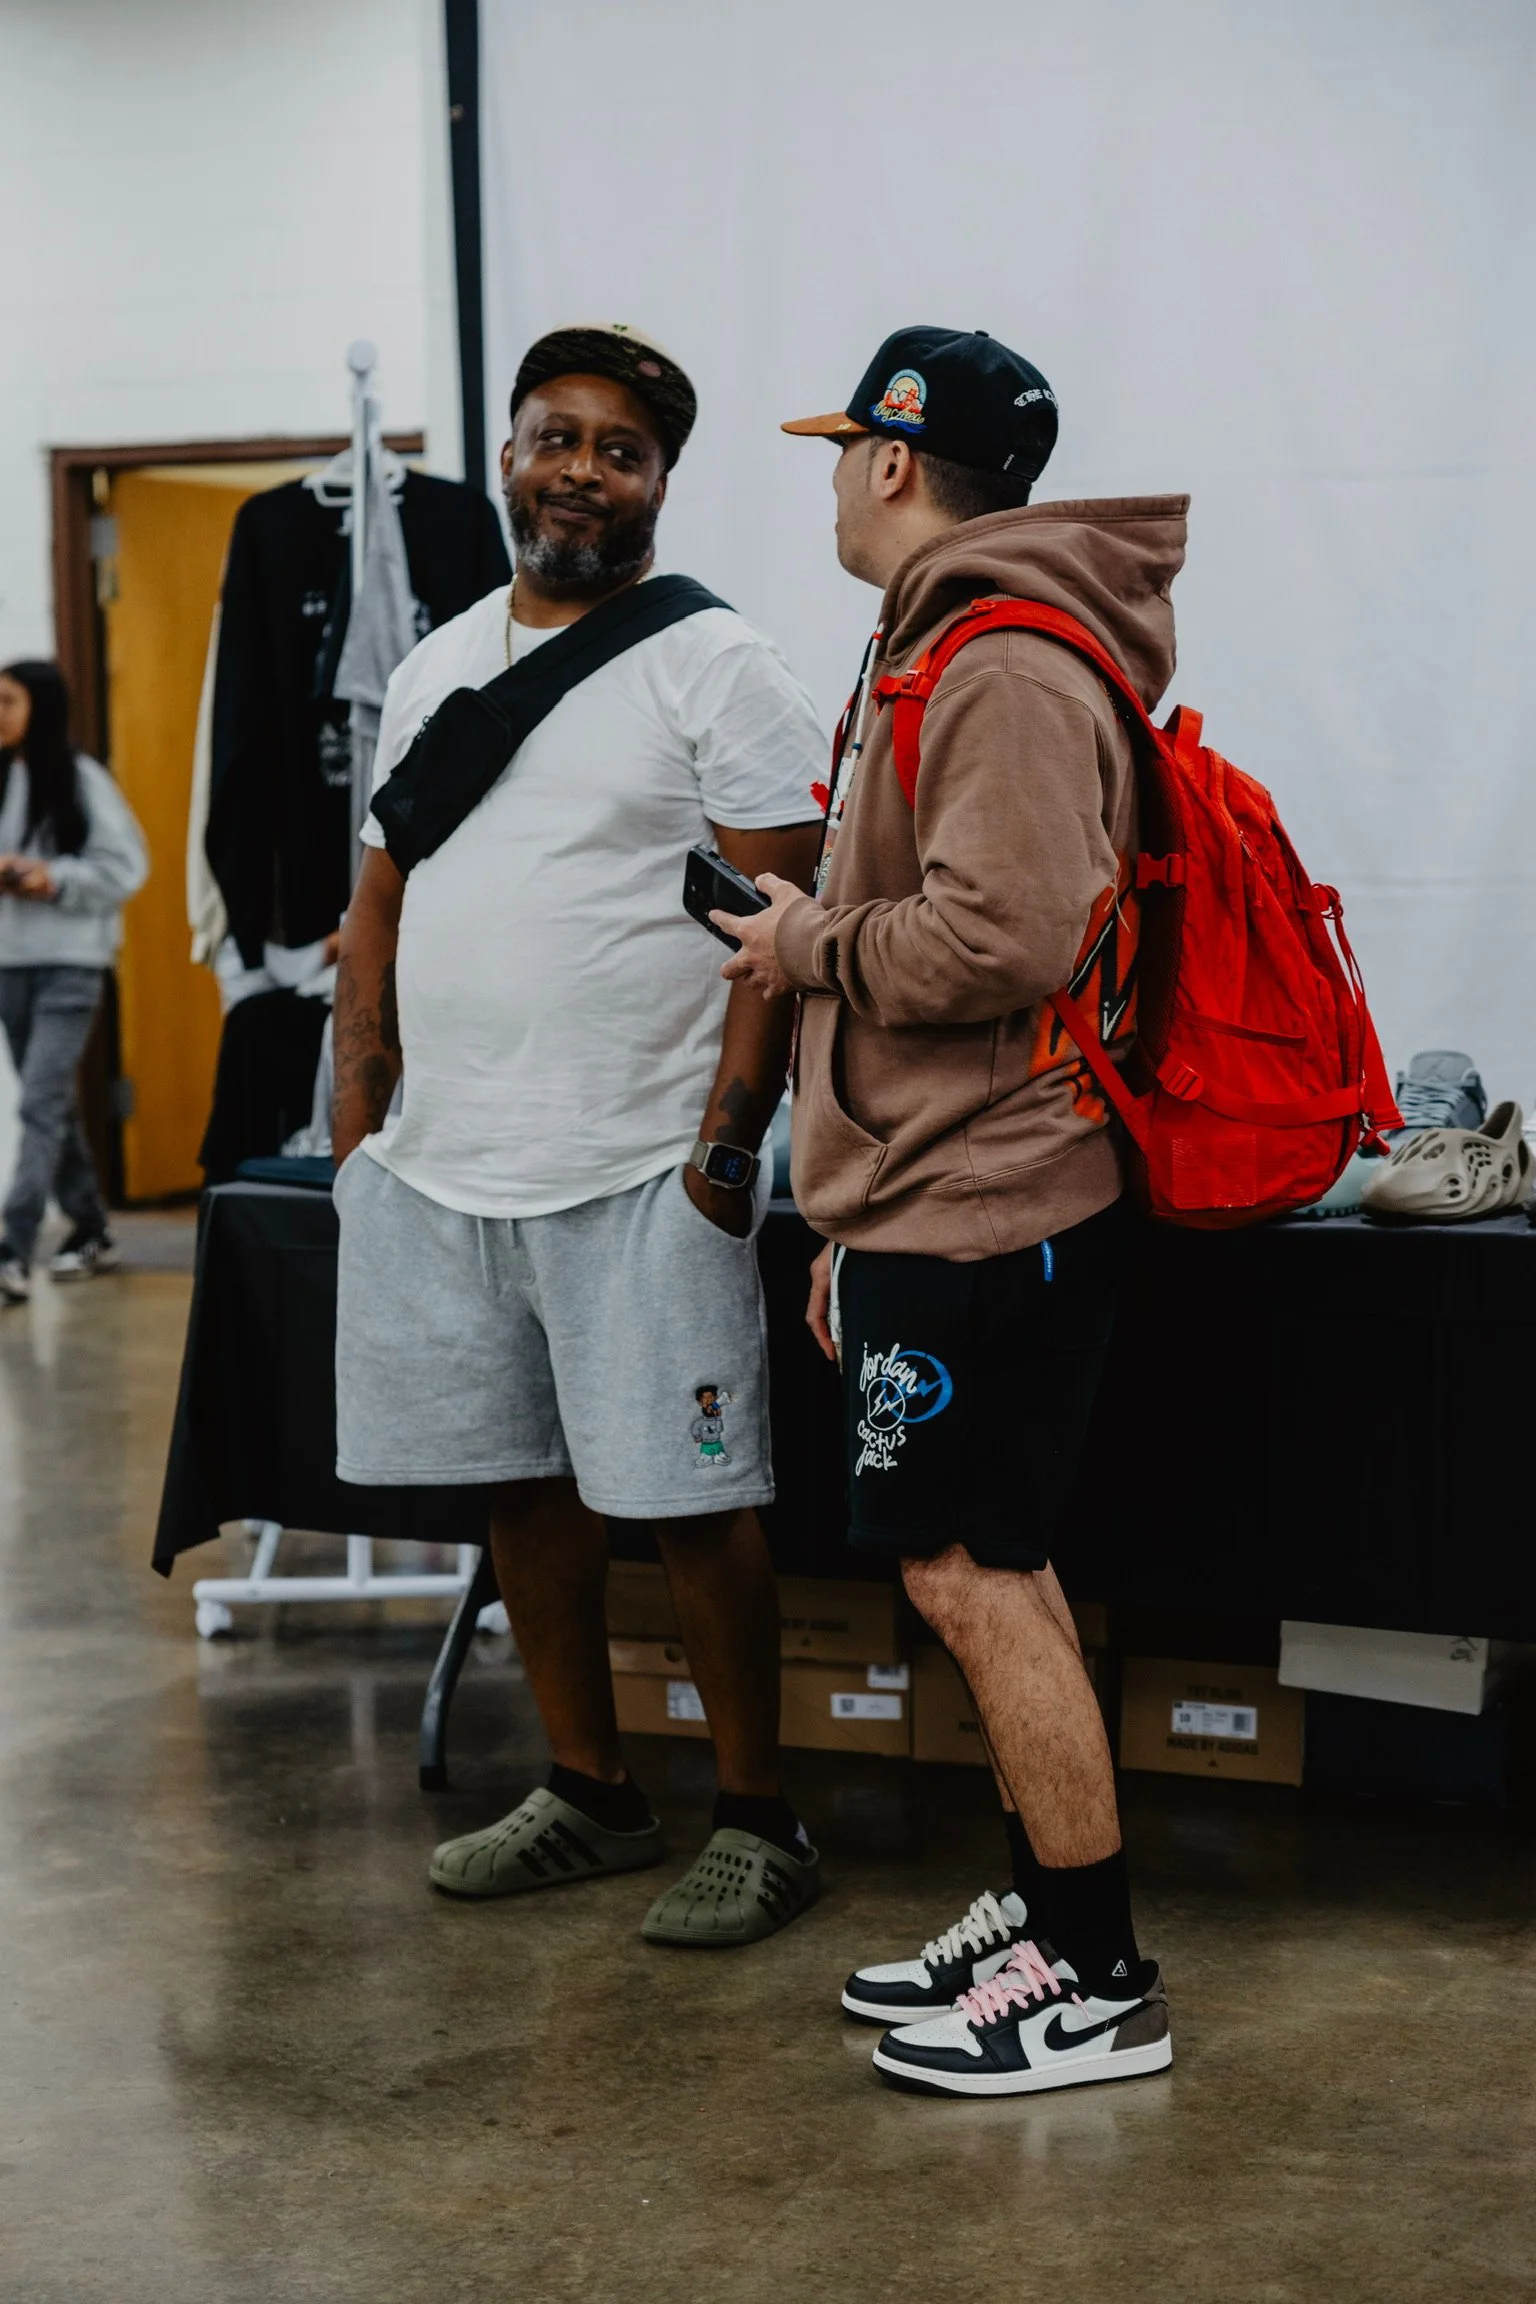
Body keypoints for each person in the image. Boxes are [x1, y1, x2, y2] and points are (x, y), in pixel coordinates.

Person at [720, 326, 1188, 2090]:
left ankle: (1091, 1973)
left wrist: (797, 941)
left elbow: (1007, 935)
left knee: (969, 1574)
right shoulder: (959, 642)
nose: (837, 474)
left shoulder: (994, 664)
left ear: (896, 463)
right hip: (961, 1191)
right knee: (1001, 1566)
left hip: (978, 1204)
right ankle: (1050, 1907)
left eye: (848, 448)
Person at [331, 324, 826, 1944]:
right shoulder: (435, 661)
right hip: (449, 1159)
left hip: (638, 1164)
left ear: (662, 481)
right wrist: (357, 1118)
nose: (582, 471)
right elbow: (380, 889)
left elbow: (784, 914)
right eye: (557, 436)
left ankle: (759, 1812)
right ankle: (591, 1786)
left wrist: (723, 1146)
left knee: (690, 1497)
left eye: (621, 448)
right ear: (506, 455)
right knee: (522, 1488)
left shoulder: (715, 661)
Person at [0, 660, 148, 1305]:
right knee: (50, 1103)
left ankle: (11, 1250)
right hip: (8, 966)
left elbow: (125, 869)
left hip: (70, 968)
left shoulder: (81, 780)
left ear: (42, 707)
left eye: (7, 701)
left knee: (37, 1104)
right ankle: (91, 1228)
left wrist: (52, 878)